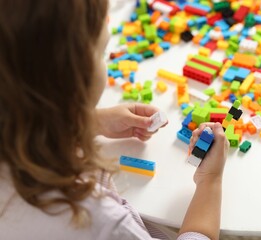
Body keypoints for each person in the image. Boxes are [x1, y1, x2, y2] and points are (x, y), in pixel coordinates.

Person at [0, 0, 229, 239]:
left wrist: (89, 122)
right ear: (75, 81)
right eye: (102, 52)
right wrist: (210, 181)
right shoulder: (104, 223)